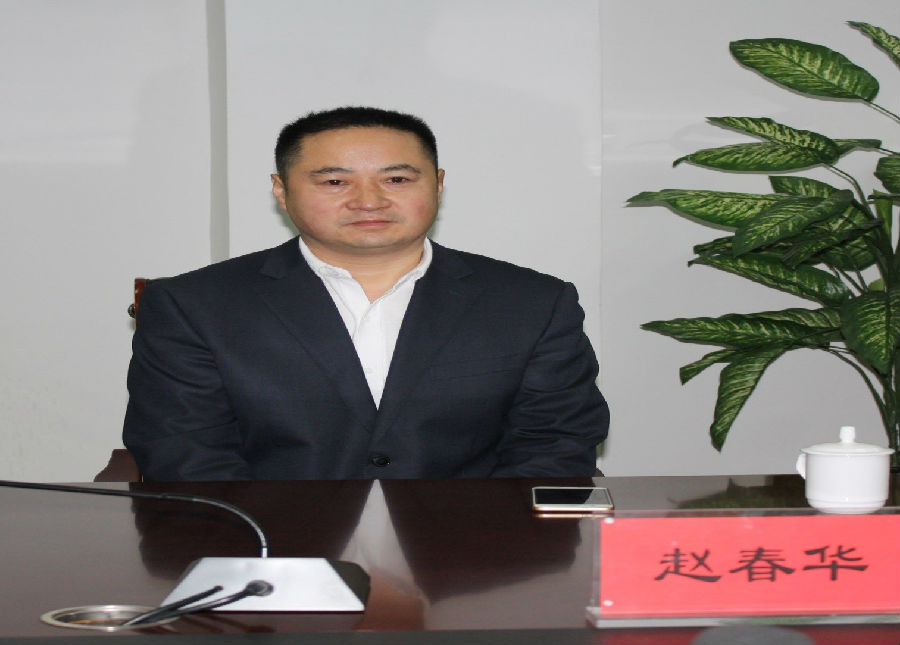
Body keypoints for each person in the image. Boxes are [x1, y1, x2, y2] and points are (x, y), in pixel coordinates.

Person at [123, 106, 609, 480]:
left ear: (438, 184)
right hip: (270, 554)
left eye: (397, 179)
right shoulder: (193, 306)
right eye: (335, 181)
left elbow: (554, 446)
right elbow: (187, 456)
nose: (369, 201)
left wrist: (477, 551)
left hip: (472, 553)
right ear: (281, 190)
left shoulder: (533, 302)